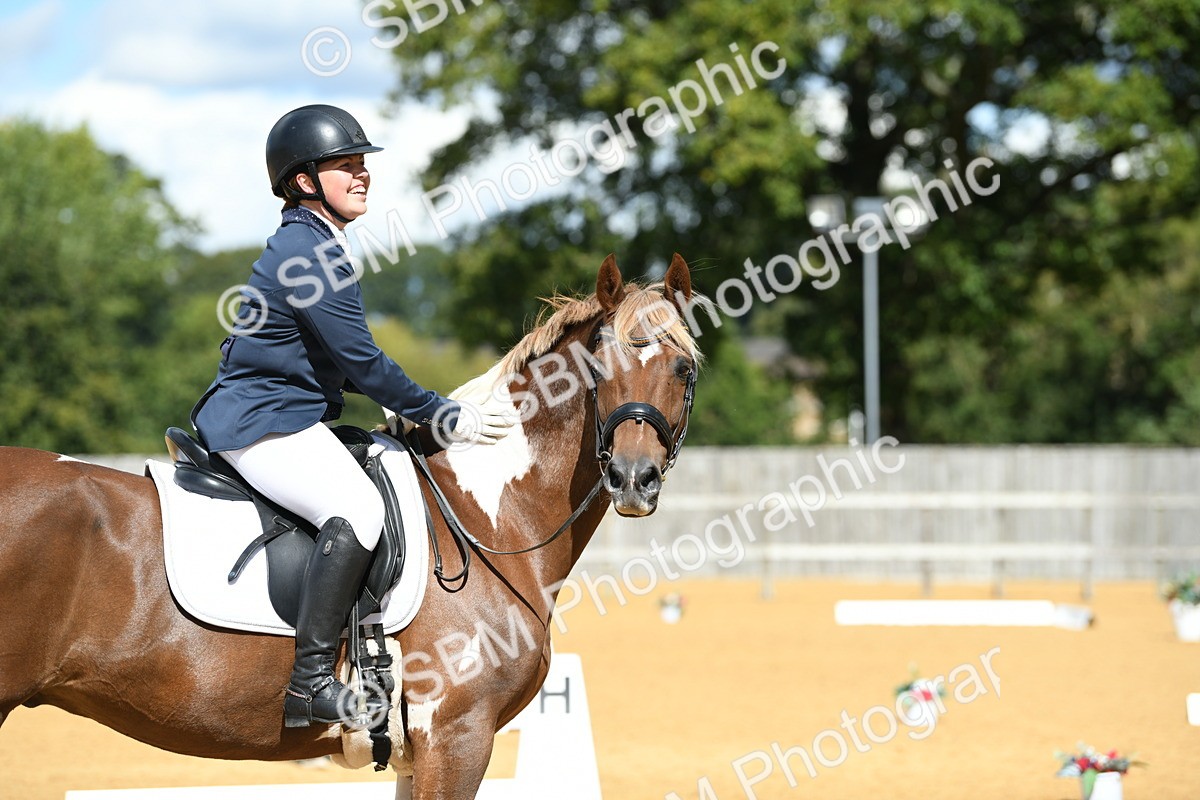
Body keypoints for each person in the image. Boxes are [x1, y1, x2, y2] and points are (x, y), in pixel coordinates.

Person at [191, 104, 515, 728]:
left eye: (363, 163)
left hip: (278, 411)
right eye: (345, 165)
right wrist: (440, 412)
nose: (362, 174)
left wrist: (396, 404)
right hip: (264, 422)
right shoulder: (309, 251)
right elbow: (362, 359)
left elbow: (323, 356)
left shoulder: (313, 241)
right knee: (359, 509)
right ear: (304, 181)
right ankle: (310, 683)